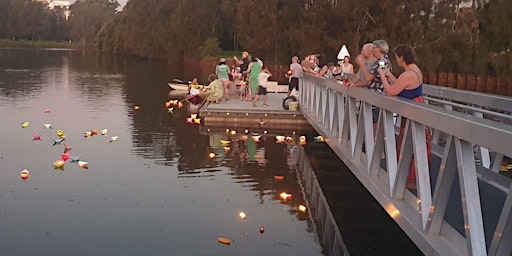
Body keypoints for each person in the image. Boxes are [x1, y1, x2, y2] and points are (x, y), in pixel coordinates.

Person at [377, 44, 432, 189]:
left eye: (397, 57)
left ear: (402, 57)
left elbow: (390, 91)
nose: (396, 60)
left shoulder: (407, 74)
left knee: (409, 142)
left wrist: (382, 75)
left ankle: (411, 178)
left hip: (412, 111)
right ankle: (414, 175)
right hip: (417, 107)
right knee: (416, 141)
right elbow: (403, 87)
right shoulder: (415, 71)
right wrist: (390, 75)